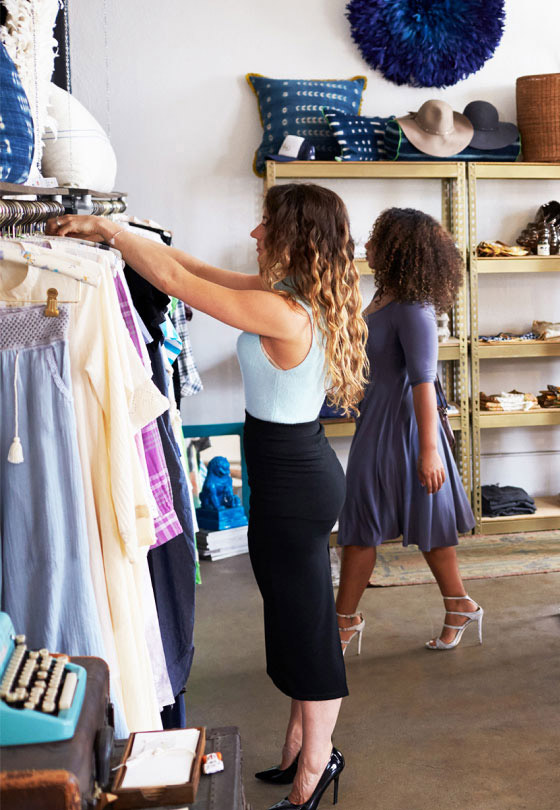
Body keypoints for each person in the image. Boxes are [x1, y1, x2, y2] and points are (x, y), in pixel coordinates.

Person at [49, 183, 369, 809]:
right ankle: (302, 748)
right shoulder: (293, 299)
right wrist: (127, 239)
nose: (254, 236)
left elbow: (174, 279)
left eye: (264, 226)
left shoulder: (288, 313)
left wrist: (107, 230)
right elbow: (189, 267)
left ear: (294, 236)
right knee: (295, 618)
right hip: (290, 476)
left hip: (295, 485)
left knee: (305, 626)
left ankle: (317, 769)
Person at [334, 208, 479, 654]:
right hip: (377, 423)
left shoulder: (414, 309)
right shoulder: (383, 299)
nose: (367, 246)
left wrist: (430, 452)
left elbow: (423, 381)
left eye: (377, 239)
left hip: (409, 430)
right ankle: (457, 605)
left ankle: (342, 622)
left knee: (415, 522)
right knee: (363, 520)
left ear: (398, 249)